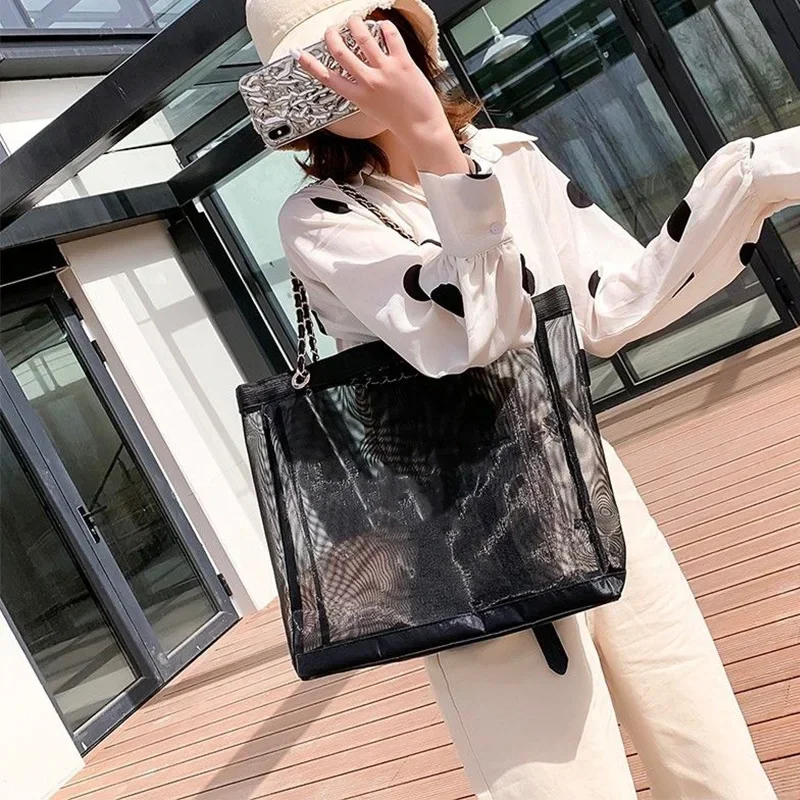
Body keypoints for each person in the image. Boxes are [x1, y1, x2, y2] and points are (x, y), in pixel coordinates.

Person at [244, 0, 800, 797]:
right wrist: (430, 138)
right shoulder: (321, 218)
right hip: (465, 538)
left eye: (367, 36)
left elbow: (603, 309)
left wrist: (746, 178)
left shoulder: (509, 156)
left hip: (588, 485)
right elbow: (479, 327)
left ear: (408, 37)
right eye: (323, 61)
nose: (354, 64)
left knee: (710, 758)